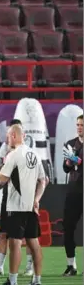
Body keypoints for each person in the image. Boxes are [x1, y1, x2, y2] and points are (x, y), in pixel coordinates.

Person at [0, 124, 47, 285]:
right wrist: (36, 199)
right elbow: (43, 180)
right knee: (33, 243)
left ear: (14, 136)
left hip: (15, 206)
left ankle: (13, 281)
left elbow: (2, 179)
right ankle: (37, 280)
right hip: (30, 207)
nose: (7, 139)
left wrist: (1, 168)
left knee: (15, 243)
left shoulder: (13, 155)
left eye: (9, 136)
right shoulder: (34, 154)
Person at [0, 119, 35, 277]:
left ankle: (29, 267)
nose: (8, 139)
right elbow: (2, 172)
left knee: (27, 236)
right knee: (4, 233)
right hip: (8, 195)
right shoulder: (5, 149)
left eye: (10, 135)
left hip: (25, 197)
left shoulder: (27, 149)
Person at [61, 114, 83, 276]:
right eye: (78, 125)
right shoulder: (70, 144)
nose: (79, 127)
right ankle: (71, 265)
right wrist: (69, 162)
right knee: (68, 227)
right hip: (74, 191)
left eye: (82, 125)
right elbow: (65, 168)